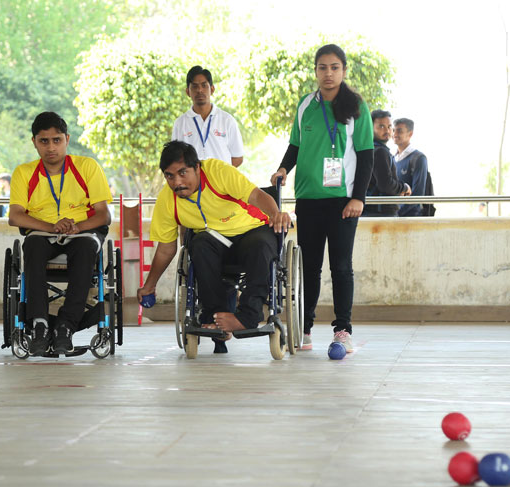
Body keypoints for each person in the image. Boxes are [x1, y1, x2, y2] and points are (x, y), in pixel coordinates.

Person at [270, 44, 373, 353]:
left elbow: (367, 156)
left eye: (334, 67)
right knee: (309, 267)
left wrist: (358, 198)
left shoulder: (356, 107)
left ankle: (343, 329)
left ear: (343, 71)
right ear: (315, 71)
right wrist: (283, 168)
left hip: (343, 202)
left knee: (341, 267)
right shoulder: (306, 105)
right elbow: (296, 146)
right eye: (322, 67)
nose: (328, 74)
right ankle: (305, 328)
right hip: (309, 199)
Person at [137, 141, 290, 347]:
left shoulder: (218, 172)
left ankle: (247, 317)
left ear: (197, 168)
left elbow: (256, 195)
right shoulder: (167, 200)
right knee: (198, 245)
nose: (177, 182)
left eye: (183, 173)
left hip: (251, 229)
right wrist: (150, 284)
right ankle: (216, 316)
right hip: (216, 241)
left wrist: (275, 214)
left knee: (261, 246)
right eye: (170, 176)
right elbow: (166, 248)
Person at [8, 112, 112, 356]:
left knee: (86, 249)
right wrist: (52, 227)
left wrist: (75, 227)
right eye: (44, 141)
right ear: (34, 142)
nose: (51, 147)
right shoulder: (24, 173)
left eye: (56, 140)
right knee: (32, 247)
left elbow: (103, 215)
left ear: (67, 139)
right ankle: (40, 325)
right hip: (43, 233)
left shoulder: (87, 167)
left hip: (82, 232)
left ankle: (66, 325)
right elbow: (15, 216)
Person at [172, 66, 244, 167]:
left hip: (220, 181)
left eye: (204, 85)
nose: (200, 90)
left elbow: (238, 157)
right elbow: (176, 159)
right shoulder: (180, 123)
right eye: (195, 86)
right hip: (193, 182)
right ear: (188, 91)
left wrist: (221, 174)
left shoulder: (227, 120)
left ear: (212, 89)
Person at [362, 109, 410, 217]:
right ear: (371, 127)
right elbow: (385, 184)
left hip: (370, 211)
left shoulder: (369, 148)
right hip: (380, 213)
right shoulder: (380, 152)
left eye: (389, 127)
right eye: (381, 126)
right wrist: (404, 187)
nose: (387, 130)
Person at [393, 118, 428, 217]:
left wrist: (396, 214)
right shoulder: (392, 159)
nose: (395, 134)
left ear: (410, 134)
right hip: (392, 218)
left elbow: (417, 194)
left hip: (410, 220)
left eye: (399, 131)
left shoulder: (418, 158)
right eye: (393, 130)